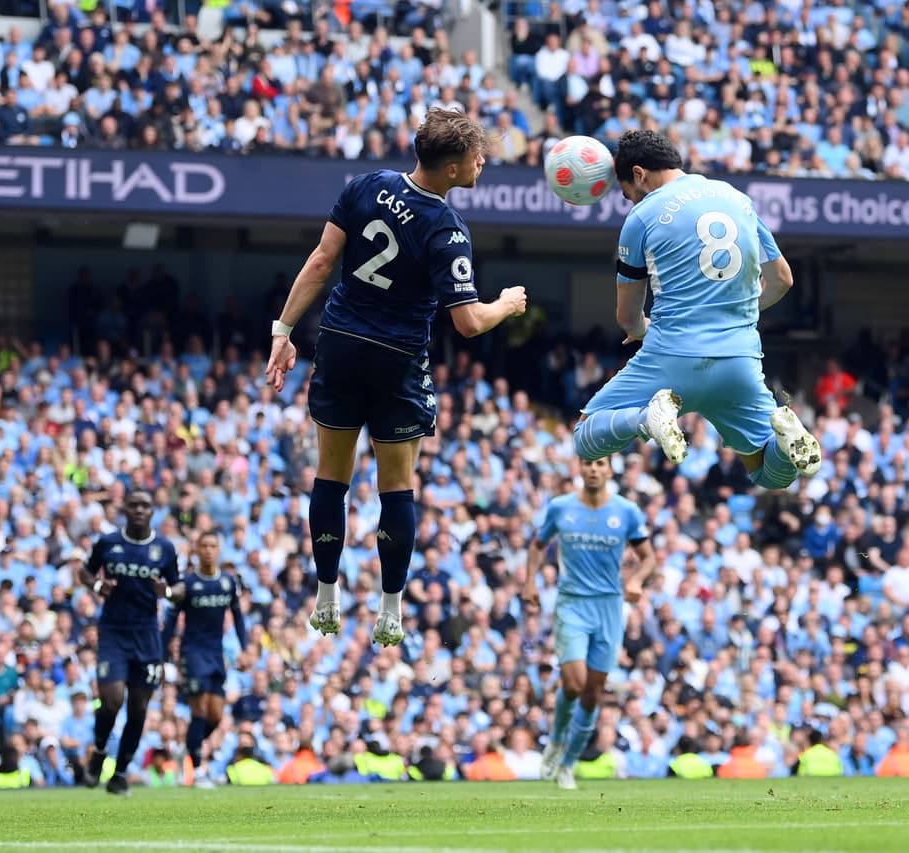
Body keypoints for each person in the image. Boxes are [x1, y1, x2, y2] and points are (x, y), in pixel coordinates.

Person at [264, 106, 528, 647]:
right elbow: (468, 321)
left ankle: (326, 596)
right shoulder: (446, 229)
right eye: (475, 156)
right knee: (395, 487)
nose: (483, 161)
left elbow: (320, 261)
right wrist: (504, 304)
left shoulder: (365, 185)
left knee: (331, 477)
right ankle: (390, 609)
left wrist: (283, 330)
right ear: (451, 169)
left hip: (339, 345)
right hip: (396, 359)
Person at [572, 129, 821, 490]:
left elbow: (627, 318)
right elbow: (782, 278)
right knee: (771, 476)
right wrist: (741, 313)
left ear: (639, 174)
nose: (631, 202)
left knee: (584, 437)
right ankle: (788, 435)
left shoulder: (641, 218)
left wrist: (640, 329)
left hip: (671, 359)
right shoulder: (737, 198)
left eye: (627, 194)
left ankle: (647, 419)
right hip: (738, 361)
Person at [522, 455, 656, 791]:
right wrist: (529, 581)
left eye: (600, 464)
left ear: (610, 470)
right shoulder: (560, 508)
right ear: (579, 468)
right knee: (573, 683)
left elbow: (649, 557)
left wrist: (637, 579)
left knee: (594, 692)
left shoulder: (626, 511)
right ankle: (555, 741)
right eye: (588, 464)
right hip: (572, 605)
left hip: (609, 608)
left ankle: (568, 764)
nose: (593, 469)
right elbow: (537, 546)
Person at [78, 488, 179, 796]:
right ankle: (98, 752)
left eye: (145, 505)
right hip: (113, 632)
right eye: (133, 504)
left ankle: (120, 773)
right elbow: (84, 571)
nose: (139, 510)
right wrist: (97, 584)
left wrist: (168, 592)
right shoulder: (108, 543)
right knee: (111, 700)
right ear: (124, 509)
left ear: (152, 511)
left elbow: (179, 587)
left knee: (138, 708)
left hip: (147, 635)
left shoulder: (165, 549)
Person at [161, 531, 247, 788]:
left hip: (216, 654)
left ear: (219, 550)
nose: (209, 550)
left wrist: (246, 648)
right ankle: (197, 770)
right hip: (192, 652)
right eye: (204, 546)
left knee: (216, 716)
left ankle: (188, 748)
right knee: (199, 709)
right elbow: (171, 621)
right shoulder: (187, 584)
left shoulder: (228, 583)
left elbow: (238, 616)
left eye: (213, 546)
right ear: (196, 550)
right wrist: (161, 654)